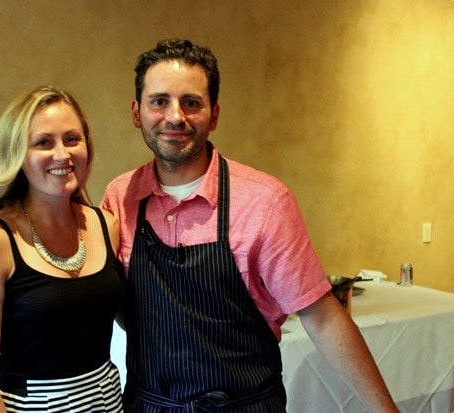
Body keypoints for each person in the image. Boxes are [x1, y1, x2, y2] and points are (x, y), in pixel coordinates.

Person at [101, 38, 399, 412]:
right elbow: (116, 305)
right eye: (159, 101)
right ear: (137, 112)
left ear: (214, 115)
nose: (175, 116)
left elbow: (321, 316)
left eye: (191, 102)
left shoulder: (265, 201)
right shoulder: (120, 198)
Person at [0, 86, 124, 413]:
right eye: (44, 143)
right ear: (17, 155)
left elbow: (129, 316)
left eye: (72, 139)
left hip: (107, 402)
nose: (62, 154)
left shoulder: (106, 224)